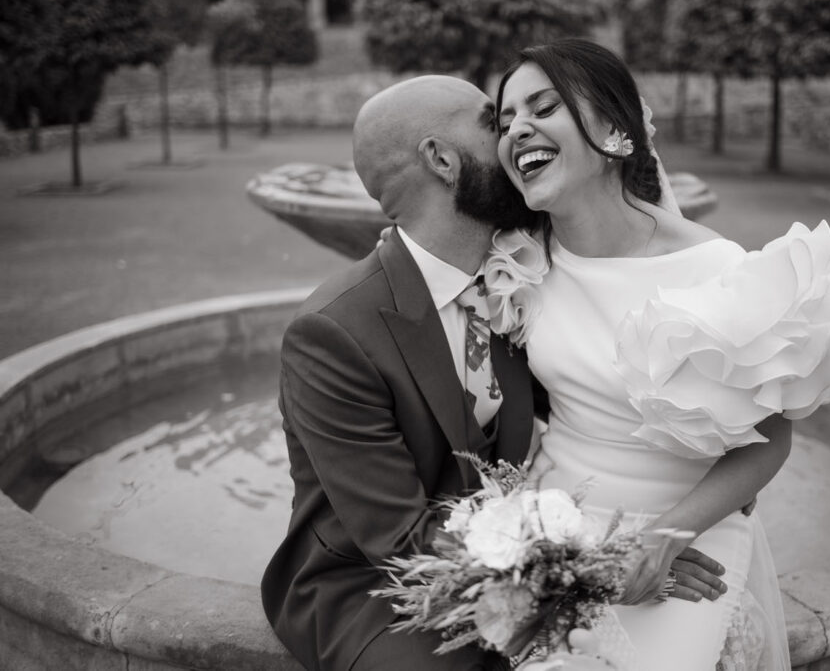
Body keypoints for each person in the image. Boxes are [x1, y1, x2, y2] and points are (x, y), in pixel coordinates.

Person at [260, 74, 730, 671]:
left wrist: (685, 488)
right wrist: (607, 561)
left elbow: (599, 393)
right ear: (441, 159)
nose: (514, 140)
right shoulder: (332, 334)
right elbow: (400, 539)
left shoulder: (516, 275)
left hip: (524, 543)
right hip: (375, 585)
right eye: (495, 125)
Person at [490, 39, 830, 670]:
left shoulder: (719, 270)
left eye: (543, 107)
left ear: (616, 130)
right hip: (554, 530)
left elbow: (768, 442)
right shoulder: (519, 261)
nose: (517, 131)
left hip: (684, 537)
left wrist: (661, 541)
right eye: (505, 120)